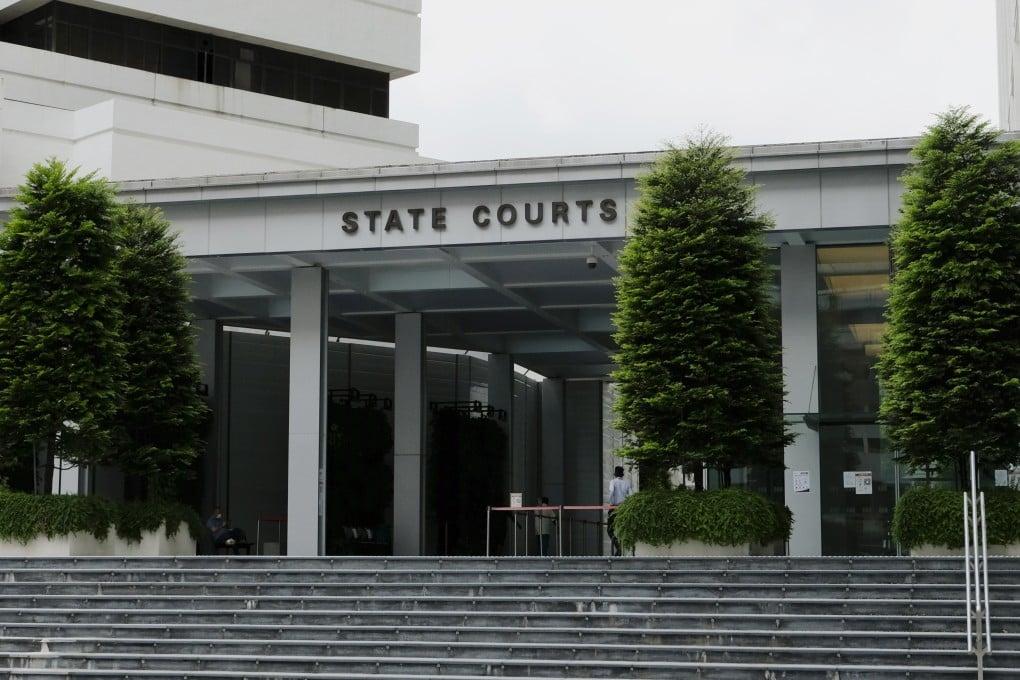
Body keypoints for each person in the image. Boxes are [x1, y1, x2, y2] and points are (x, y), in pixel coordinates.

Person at [607, 466, 632, 557]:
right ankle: (622, 549)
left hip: (614, 507)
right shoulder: (627, 483)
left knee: (610, 529)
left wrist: (610, 503)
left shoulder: (612, 482)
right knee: (623, 529)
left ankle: (618, 548)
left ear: (615, 474)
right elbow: (631, 495)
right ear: (623, 474)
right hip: (624, 508)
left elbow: (612, 492)